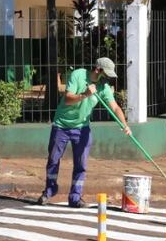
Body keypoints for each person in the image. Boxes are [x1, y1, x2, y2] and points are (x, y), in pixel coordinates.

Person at [38, 57, 130, 208]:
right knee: (53, 160)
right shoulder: (78, 75)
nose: (107, 79)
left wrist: (124, 124)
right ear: (97, 70)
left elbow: (115, 107)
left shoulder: (103, 87)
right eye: (105, 74)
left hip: (82, 128)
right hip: (61, 125)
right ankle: (49, 190)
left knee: (81, 164)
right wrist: (86, 94)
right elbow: (67, 99)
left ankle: (75, 197)